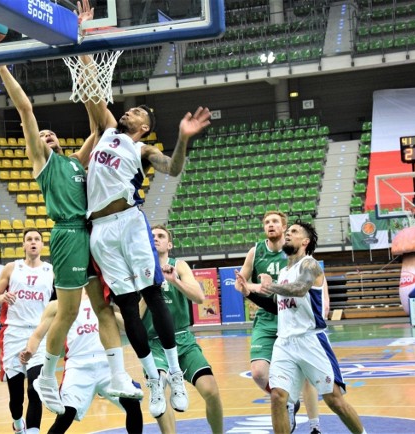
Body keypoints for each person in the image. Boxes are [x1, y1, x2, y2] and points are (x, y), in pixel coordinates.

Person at [0, 34, 141, 418]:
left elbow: (99, 126)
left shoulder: (77, 162)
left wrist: (87, 64)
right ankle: (46, 376)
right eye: (41, 137)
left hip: (91, 233)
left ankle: (118, 373)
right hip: (68, 234)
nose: (46, 135)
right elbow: (26, 110)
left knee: (104, 309)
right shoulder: (45, 166)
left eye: (50, 134)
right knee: (69, 313)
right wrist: (1, 66)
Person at [83, 73, 210, 417]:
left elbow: (173, 168)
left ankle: (176, 375)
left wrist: (183, 138)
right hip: (100, 229)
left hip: (130, 223)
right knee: (126, 306)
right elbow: (94, 91)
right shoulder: (108, 130)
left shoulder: (142, 148)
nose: (129, 112)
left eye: (137, 111)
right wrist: (83, 52)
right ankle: (153, 378)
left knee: (152, 296)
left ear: (144, 127)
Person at [235, 221, 367, 434]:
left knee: (334, 400)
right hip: (285, 342)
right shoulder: (285, 273)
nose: (288, 234)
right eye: (287, 232)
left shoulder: (310, 264)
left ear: (305, 241)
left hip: (310, 340)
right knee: (278, 397)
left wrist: (269, 286)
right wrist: (249, 293)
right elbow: (276, 306)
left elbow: (299, 289)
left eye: (293, 232)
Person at [235, 211, 326, 434]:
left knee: (306, 376)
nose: (270, 225)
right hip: (267, 317)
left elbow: (310, 282)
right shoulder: (256, 252)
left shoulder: (293, 253)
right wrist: (247, 289)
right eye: (266, 222)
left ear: (284, 227)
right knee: (258, 373)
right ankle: (288, 400)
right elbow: (242, 284)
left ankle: (315, 425)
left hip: (293, 318)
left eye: (275, 221)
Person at [20, 289, 143, 434]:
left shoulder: (105, 299)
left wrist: (111, 314)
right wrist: (30, 351)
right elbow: (37, 335)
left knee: (132, 404)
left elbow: (128, 325)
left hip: (107, 364)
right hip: (78, 367)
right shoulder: (57, 305)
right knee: (66, 415)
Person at [143, 225, 224, 433]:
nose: (156, 238)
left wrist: (174, 281)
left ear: (169, 244)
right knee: (159, 388)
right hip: (155, 343)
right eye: (152, 236)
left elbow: (199, 297)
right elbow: (134, 313)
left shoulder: (179, 265)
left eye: (161, 236)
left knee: (212, 391)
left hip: (183, 340)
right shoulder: (139, 268)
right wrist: (149, 287)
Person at [0, 228, 55, 434]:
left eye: (37, 239)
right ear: (23, 245)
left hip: (39, 335)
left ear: (42, 245)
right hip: (13, 335)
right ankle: (18, 424)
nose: (33, 242)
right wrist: (1, 298)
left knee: (35, 389)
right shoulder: (11, 268)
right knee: (16, 399)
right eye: (29, 239)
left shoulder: (52, 271)